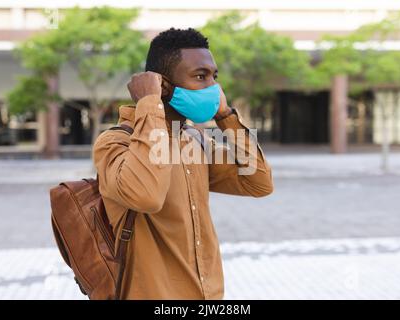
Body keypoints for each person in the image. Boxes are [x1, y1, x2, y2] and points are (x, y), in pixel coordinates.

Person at [92, 27, 274, 299]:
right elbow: (146, 196)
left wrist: (226, 116)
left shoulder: (193, 140)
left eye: (214, 77)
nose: (212, 87)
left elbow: (258, 182)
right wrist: (150, 104)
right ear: (162, 85)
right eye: (200, 76)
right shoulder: (115, 144)